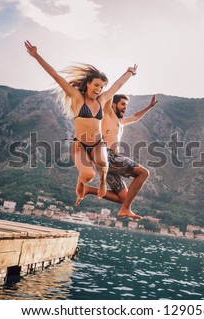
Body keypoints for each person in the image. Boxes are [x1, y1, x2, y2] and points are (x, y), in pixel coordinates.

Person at [24, 40, 137, 201]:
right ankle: (82, 181)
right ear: (88, 84)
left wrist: (129, 72)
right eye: (96, 85)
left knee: (102, 163)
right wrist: (36, 55)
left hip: (98, 143)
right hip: (80, 144)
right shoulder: (77, 97)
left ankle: (103, 182)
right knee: (89, 174)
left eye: (102, 87)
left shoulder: (102, 99)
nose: (99, 89)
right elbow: (56, 76)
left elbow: (117, 85)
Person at [76, 94, 159, 220]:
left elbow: (136, 117)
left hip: (109, 164)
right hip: (107, 156)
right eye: (123, 104)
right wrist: (127, 74)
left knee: (124, 198)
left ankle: (88, 189)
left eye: (126, 105)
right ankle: (125, 209)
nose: (125, 107)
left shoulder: (121, 122)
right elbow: (109, 97)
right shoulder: (108, 115)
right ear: (113, 105)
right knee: (143, 173)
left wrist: (149, 107)